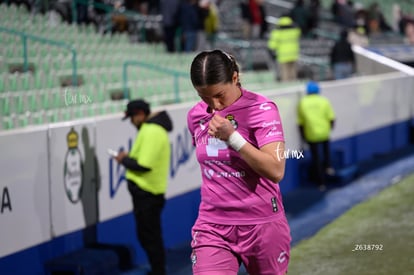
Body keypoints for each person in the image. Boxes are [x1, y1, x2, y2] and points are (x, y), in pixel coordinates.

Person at [187, 50, 291, 275]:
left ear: (234, 78)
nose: (214, 105)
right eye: (204, 97)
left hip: (262, 223)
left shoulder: (262, 109)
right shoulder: (195, 116)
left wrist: (233, 138)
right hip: (212, 225)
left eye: (219, 95)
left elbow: (276, 170)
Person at [113, 99, 173, 275]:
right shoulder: (151, 129)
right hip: (148, 193)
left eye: (131, 117)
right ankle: (158, 270)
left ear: (139, 114)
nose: (131, 122)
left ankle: (158, 272)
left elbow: (144, 164)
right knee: (149, 236)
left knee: (150, 238)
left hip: (148, 193)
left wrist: (123, 160)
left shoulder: (151, 131)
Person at [297, 81, 335, 190]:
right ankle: (328, 167)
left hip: (311, 134)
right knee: (326, 151)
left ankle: (321, 183)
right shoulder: (324, 101)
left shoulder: (302, 102)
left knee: (316, 158)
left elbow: (300, 123)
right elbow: (331, 118)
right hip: (324, 132)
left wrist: (303, 136)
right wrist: (329, 128)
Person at [267, 15, 301, 82]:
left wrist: (271, 52)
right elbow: (299, 30)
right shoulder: (295, 31)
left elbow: (272, 45)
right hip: (294, 55)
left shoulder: (277, 33)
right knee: (293, 73)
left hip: (283, 56)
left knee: (285, 74)